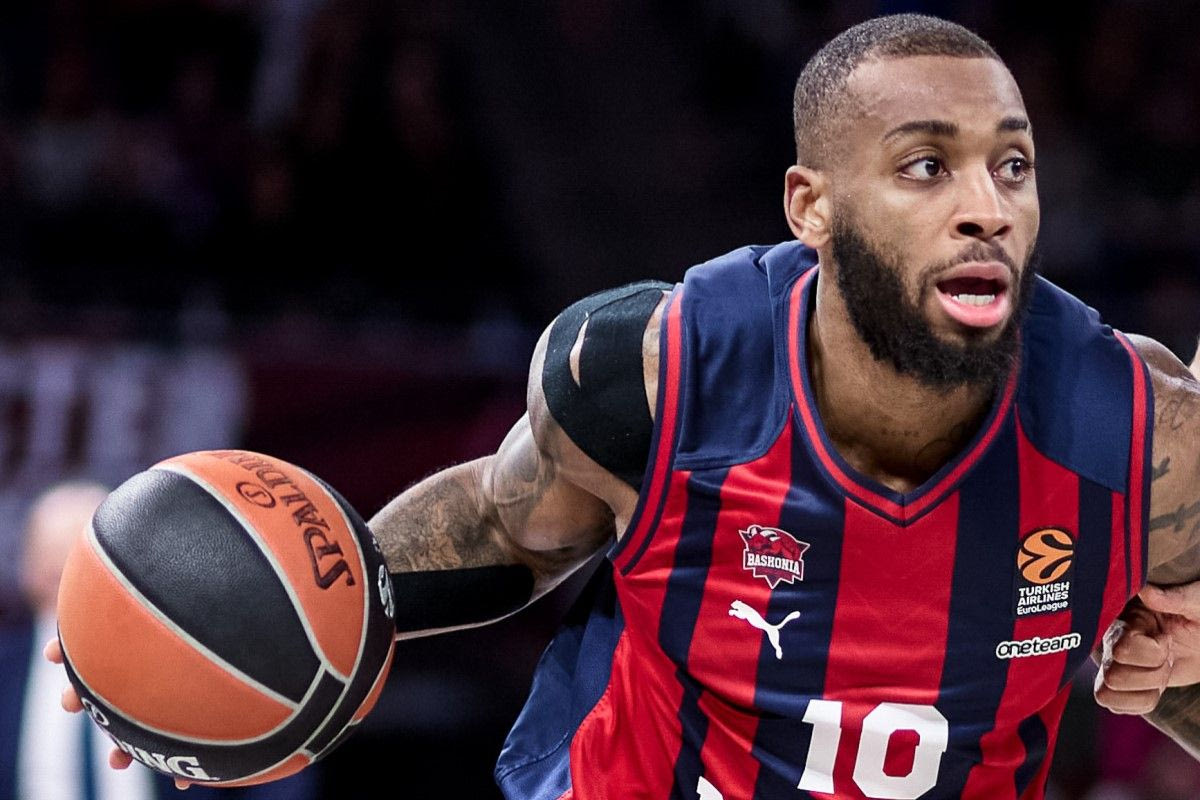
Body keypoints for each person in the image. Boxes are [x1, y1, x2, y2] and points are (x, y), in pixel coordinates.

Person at [45, 12, 1200, 799]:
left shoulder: (1140, 434)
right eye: (925, 166)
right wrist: (237, 631)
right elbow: (504, 525)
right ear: (812, 206)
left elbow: (1183, 669)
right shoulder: (658, 370)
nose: (987, 206)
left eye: (1013, 165)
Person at [13, 482, 317, 800]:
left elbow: (272, 765)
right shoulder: (7, 668)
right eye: (52, 551)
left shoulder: (199, 657)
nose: (63, 565)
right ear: (26, 566)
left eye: (81, 550)